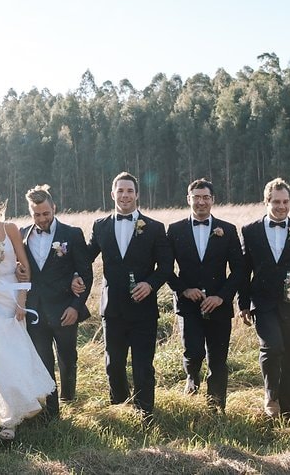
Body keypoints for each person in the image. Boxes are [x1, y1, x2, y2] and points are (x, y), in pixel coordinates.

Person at [0, 185, 55, 440]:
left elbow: (24, 268)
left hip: (12, 295)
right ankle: (8, 419)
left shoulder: (10, 229)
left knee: (15, 348)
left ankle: (24, 400)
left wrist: (21, 301)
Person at [86, 171, 173, 420]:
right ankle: (120, 411)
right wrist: (73, 274)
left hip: (143, 308)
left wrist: (150, 285)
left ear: (137, 195)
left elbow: (166, 266)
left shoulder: (155, 228)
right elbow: (86, 257)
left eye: (130, 191)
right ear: (112, 194)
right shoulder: (100, 226)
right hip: (112, 309)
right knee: (113, 364)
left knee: (143, 365)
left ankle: (145, 413)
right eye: (120, 191)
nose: (125, 195)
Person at [239, 178, 290, 419]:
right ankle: (270, 394)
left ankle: (288, 411)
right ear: (266, 202)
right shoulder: (250, 231)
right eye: (276, 202)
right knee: (272, 346)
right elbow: (244, 271)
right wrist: (243, 304)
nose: (281, 206)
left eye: (285, 202)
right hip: (263, 303)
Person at [166, 178, 244, 411]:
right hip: (188, 304)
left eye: (205, 197)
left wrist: (222, 297)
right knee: (194, 350)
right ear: (188, 199)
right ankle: (192, 377)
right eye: (196, 197)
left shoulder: (227, 230)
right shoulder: (175, 230)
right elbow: (165, 268)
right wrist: (183, 290)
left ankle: (217, 406)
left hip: (219, 303)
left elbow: (239, 270)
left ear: (213, 200)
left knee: (218, 358)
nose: (201, 202)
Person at [18, 185, 91, 420]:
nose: (42, 219)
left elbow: (85, 274)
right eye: (36, 215)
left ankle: (68, 397)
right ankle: (52, 412)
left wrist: (75, 307)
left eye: (46, 214)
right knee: (43, 360)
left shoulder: (72, 234)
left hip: (64, 309)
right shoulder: (21, 235)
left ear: (54, 208)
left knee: (67, 356)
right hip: (35, 311)